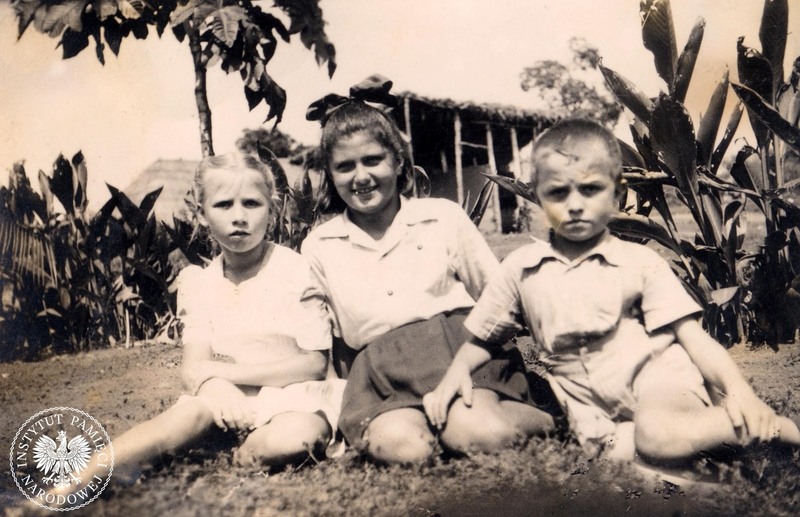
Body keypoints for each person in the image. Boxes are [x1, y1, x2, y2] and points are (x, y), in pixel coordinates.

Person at [423, 118, 800, 464]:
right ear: (537, 197)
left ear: (617, 194)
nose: (574, 206)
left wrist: (739, 390)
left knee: (656, 436)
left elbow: (694, 340)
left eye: (590, 190)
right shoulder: (520, 269)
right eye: (557, 193)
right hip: (592, 410)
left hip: (660, 383)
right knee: (626, 462)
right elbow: (484, 338)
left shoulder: (638, 262)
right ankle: (705, 455)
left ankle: (773, 429)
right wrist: (456, 373)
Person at [301, 75, 558, 465]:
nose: (361, 176)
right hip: (380, 369)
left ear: (398, 160)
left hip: (457, 349)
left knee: (479, 433)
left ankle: (548, 417)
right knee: (404, 449)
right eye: (345, 166)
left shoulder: (441, 217)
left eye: (373, 160)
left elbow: (497, 299)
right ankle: (437, 428)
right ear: (330, 174)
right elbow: (332, 340)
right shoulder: (320, 245)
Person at [55, 152, 345, 492]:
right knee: (180, 419)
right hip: (227, 394)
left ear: (272, 209)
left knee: (289, 439)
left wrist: (219, 373)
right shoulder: (199, 282)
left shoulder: (296, 271)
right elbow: (194, 368)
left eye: (252, 204)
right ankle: (70, 487)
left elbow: (312, 364)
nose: (239, 217)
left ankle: (234, 455)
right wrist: (214, 385)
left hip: (297, 393)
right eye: (223, 205)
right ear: (201, 214)